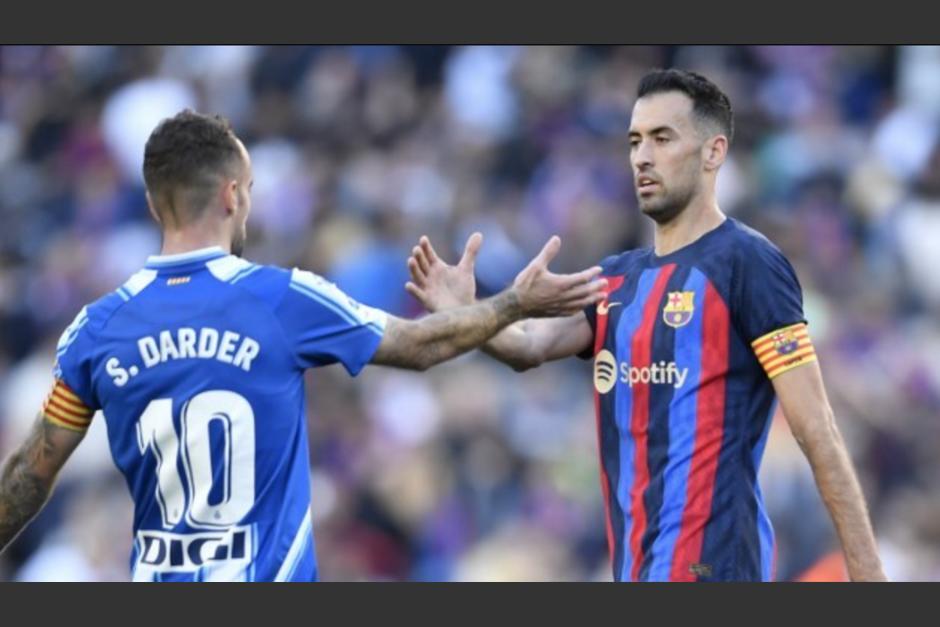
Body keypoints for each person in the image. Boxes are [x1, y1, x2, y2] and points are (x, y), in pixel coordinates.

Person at [0, 110, 607, 582]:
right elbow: (419, 347)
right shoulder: (281, 298)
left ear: (155, 204)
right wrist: (512, 304)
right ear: (232, 196)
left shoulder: (96, 329)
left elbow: (33, 469)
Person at [405, 69, 886, 582]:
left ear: (713, 152)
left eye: (662, 138)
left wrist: (866, 571)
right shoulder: (616, 279)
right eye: (635, 141)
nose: (642, 157)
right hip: (635, 568)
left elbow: (816, 428)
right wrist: (467, 311)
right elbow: (527, 346)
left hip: (712, 565)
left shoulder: (748, 263)